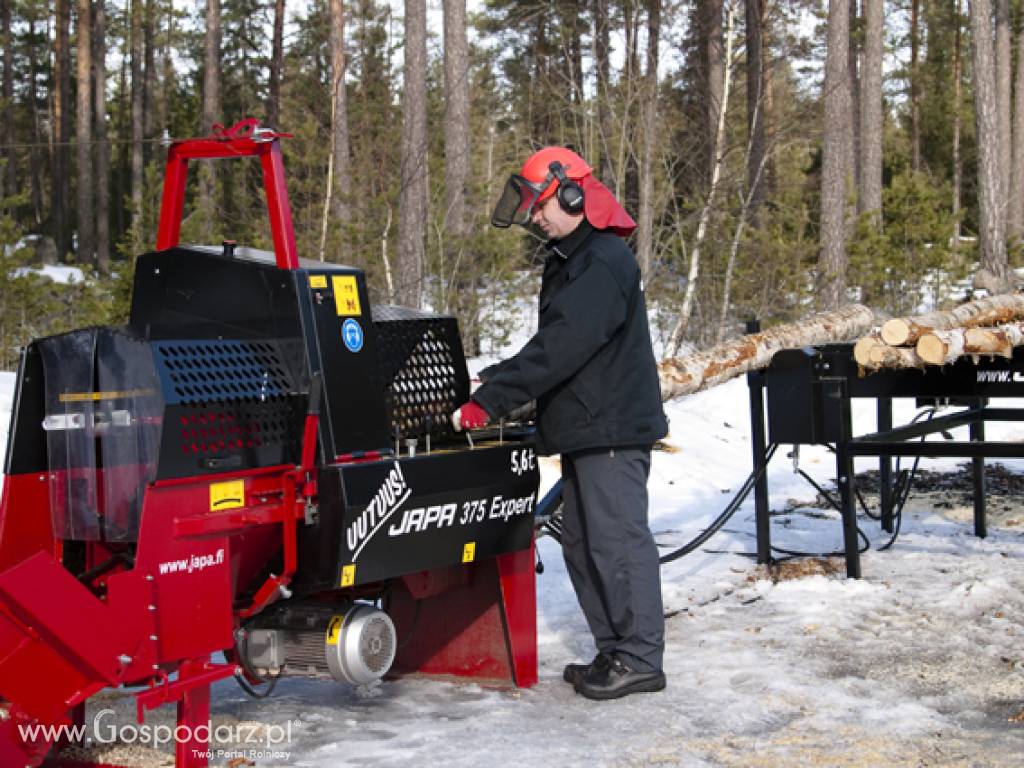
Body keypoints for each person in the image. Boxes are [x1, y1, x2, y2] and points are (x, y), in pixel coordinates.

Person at [451, 146, 669, 700]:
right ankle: (615, 650)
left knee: (616, 542)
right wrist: (495, 377)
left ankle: (640, 657)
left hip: (612, 429)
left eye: (541, 204)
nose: (535, 217)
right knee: (583, 542)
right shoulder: (572, 260)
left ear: (574, 193)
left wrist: (493, 402)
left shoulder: (604, 261)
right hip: (587, 429)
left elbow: (566, 345)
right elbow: (551, 343)